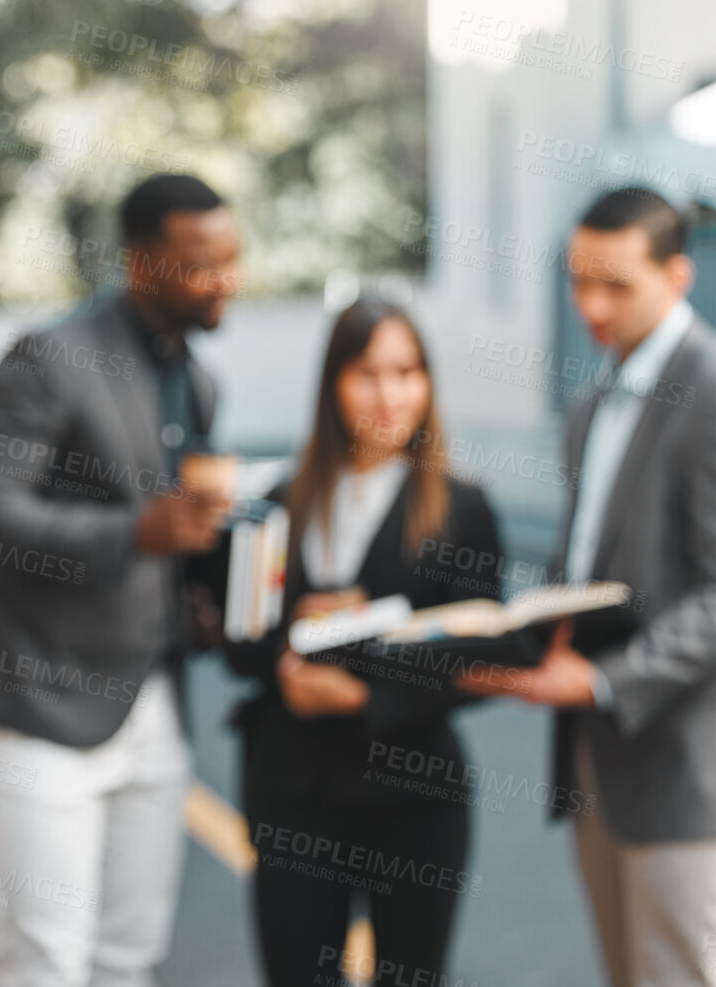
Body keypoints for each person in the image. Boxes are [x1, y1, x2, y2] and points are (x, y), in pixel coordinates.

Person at [459, 186, 716, 987]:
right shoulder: (592, 406)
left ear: (678, 275)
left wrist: (605, 678)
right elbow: (590, 569)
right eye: (580, 280)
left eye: (616, 284)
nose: (590, 305)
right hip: (600, 755)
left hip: (690, 766)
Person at [0, 173, 241, 987]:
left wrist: (204, 602)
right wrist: (135, 532)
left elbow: (179, 541)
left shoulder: (200, 378)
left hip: (155, 708)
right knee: (47, 963)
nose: (226, 278)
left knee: (128, 959)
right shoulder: (52, 357)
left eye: (231, 257)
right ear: (141, 264)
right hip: (43, 703)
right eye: (201, 263)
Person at [223, 295, 504, 987]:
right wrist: (294, 639)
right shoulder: (280, 502)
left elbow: (480, 656)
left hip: (412, 794)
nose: (390, 395)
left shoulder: (460, 507)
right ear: (333, 384)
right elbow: (240, 643)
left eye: (408, 373)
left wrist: (362, 691)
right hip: (293, 791)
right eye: (368, 374)